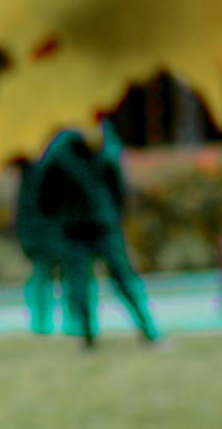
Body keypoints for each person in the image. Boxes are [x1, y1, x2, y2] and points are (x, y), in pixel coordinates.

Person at [14, 118, 158, 346]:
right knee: (118, 279)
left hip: (79, 226)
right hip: (99, 224)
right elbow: (117, 184)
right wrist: (113, 213)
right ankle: (146, 332)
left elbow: (45, 192)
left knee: (83, 283)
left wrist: (57, 216)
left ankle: (90, 337)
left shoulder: (58, 149)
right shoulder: (102, 139)